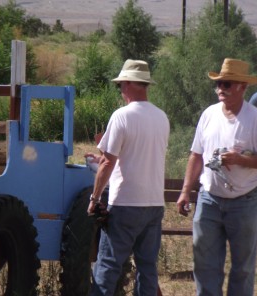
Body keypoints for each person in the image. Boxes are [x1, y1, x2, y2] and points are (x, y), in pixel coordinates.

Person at [176, 58, 257, 296]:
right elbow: (196, 155)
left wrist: (242, 160)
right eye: (219, 84)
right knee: (204, 265)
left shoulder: (255, 119)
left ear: (243, 87)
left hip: (244, 202)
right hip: (209, 199)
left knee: (242, 268)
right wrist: (185, 191)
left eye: (227, 84)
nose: (220, 89)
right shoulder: (209, 114)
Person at [86, 59, 170, 295]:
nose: (121, 88)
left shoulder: (121, 116)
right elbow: (138, 154)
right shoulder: (161, 117)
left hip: (125, 203)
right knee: (147, 268)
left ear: (134, 84)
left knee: (108, 266)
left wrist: (94, 199)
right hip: (154, 203)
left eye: (123, 83)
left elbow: (107, 163)